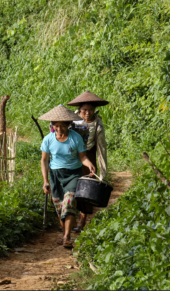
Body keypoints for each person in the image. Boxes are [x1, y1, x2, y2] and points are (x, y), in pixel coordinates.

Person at [39, 105, 96, 248]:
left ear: (68, 125)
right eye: (56, 126)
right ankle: (65, 233)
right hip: (55, 175)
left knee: (69, 202)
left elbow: (82, 157)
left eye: (62, 126)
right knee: (59, 206)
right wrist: (45, 181)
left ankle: (66, 237)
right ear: (52, 126)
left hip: (73, 174)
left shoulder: (76, 138)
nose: (59, 129)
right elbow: (44, 160)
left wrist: (89, 165)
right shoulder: (48, 139)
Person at [67, 90, 109, 233]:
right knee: (72, 189)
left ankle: (82, 221)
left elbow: (102, 149)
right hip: (73, 157)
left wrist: (103, 174)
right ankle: (69, 220)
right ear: (79, 110)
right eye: (84, 110)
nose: (87, 113)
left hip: (89, 157)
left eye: (90, 110)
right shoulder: (71, 121)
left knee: (86, 189)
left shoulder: (98, 124)